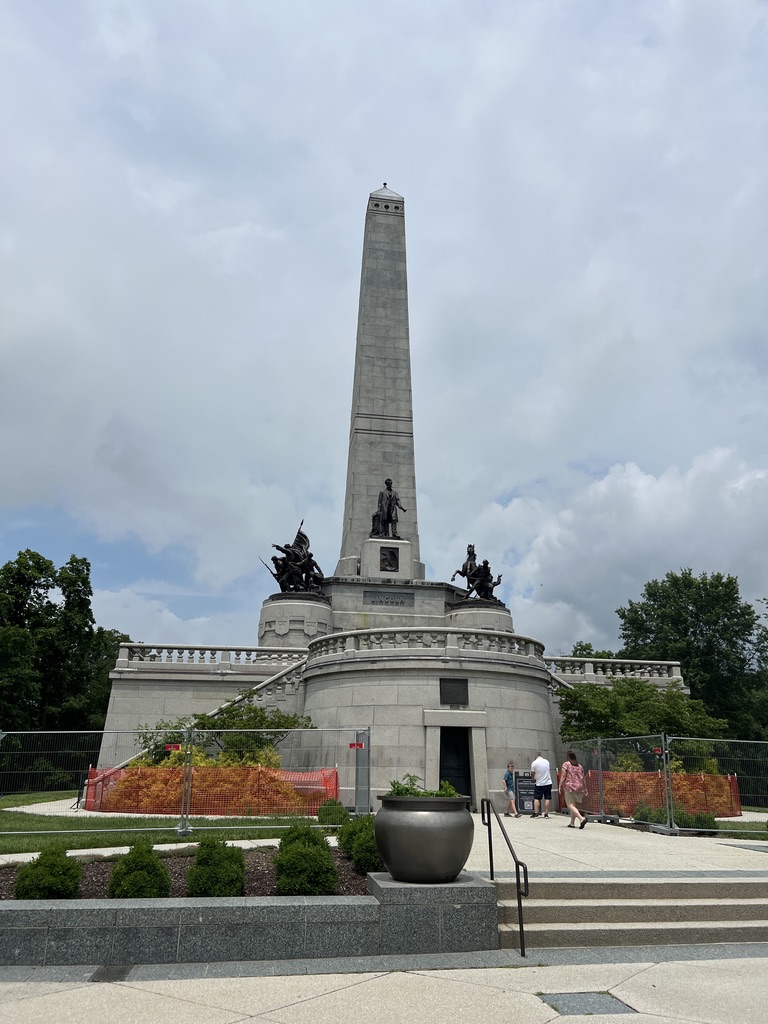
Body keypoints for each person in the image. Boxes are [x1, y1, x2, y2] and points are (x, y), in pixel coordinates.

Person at [559, 750, 589, 829]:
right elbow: (583, 778)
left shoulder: (566, 764)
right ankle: (572, 823)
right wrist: (585, 789)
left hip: (569, 786)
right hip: (579, 787)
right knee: (574, 805)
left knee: (570, 805)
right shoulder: (580, 766)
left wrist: (560, 786)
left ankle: (581, 818)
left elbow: (563, 776)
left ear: (568, 757)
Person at [530, 750, 552, 818]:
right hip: (548, 782)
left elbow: (532, 773)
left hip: (539, 783)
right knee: (547, 798)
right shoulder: (547, 761)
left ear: (536, 756)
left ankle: (536, 813)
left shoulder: (534, 763)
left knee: (537, 798)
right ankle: (546, 813)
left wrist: (533, 778)